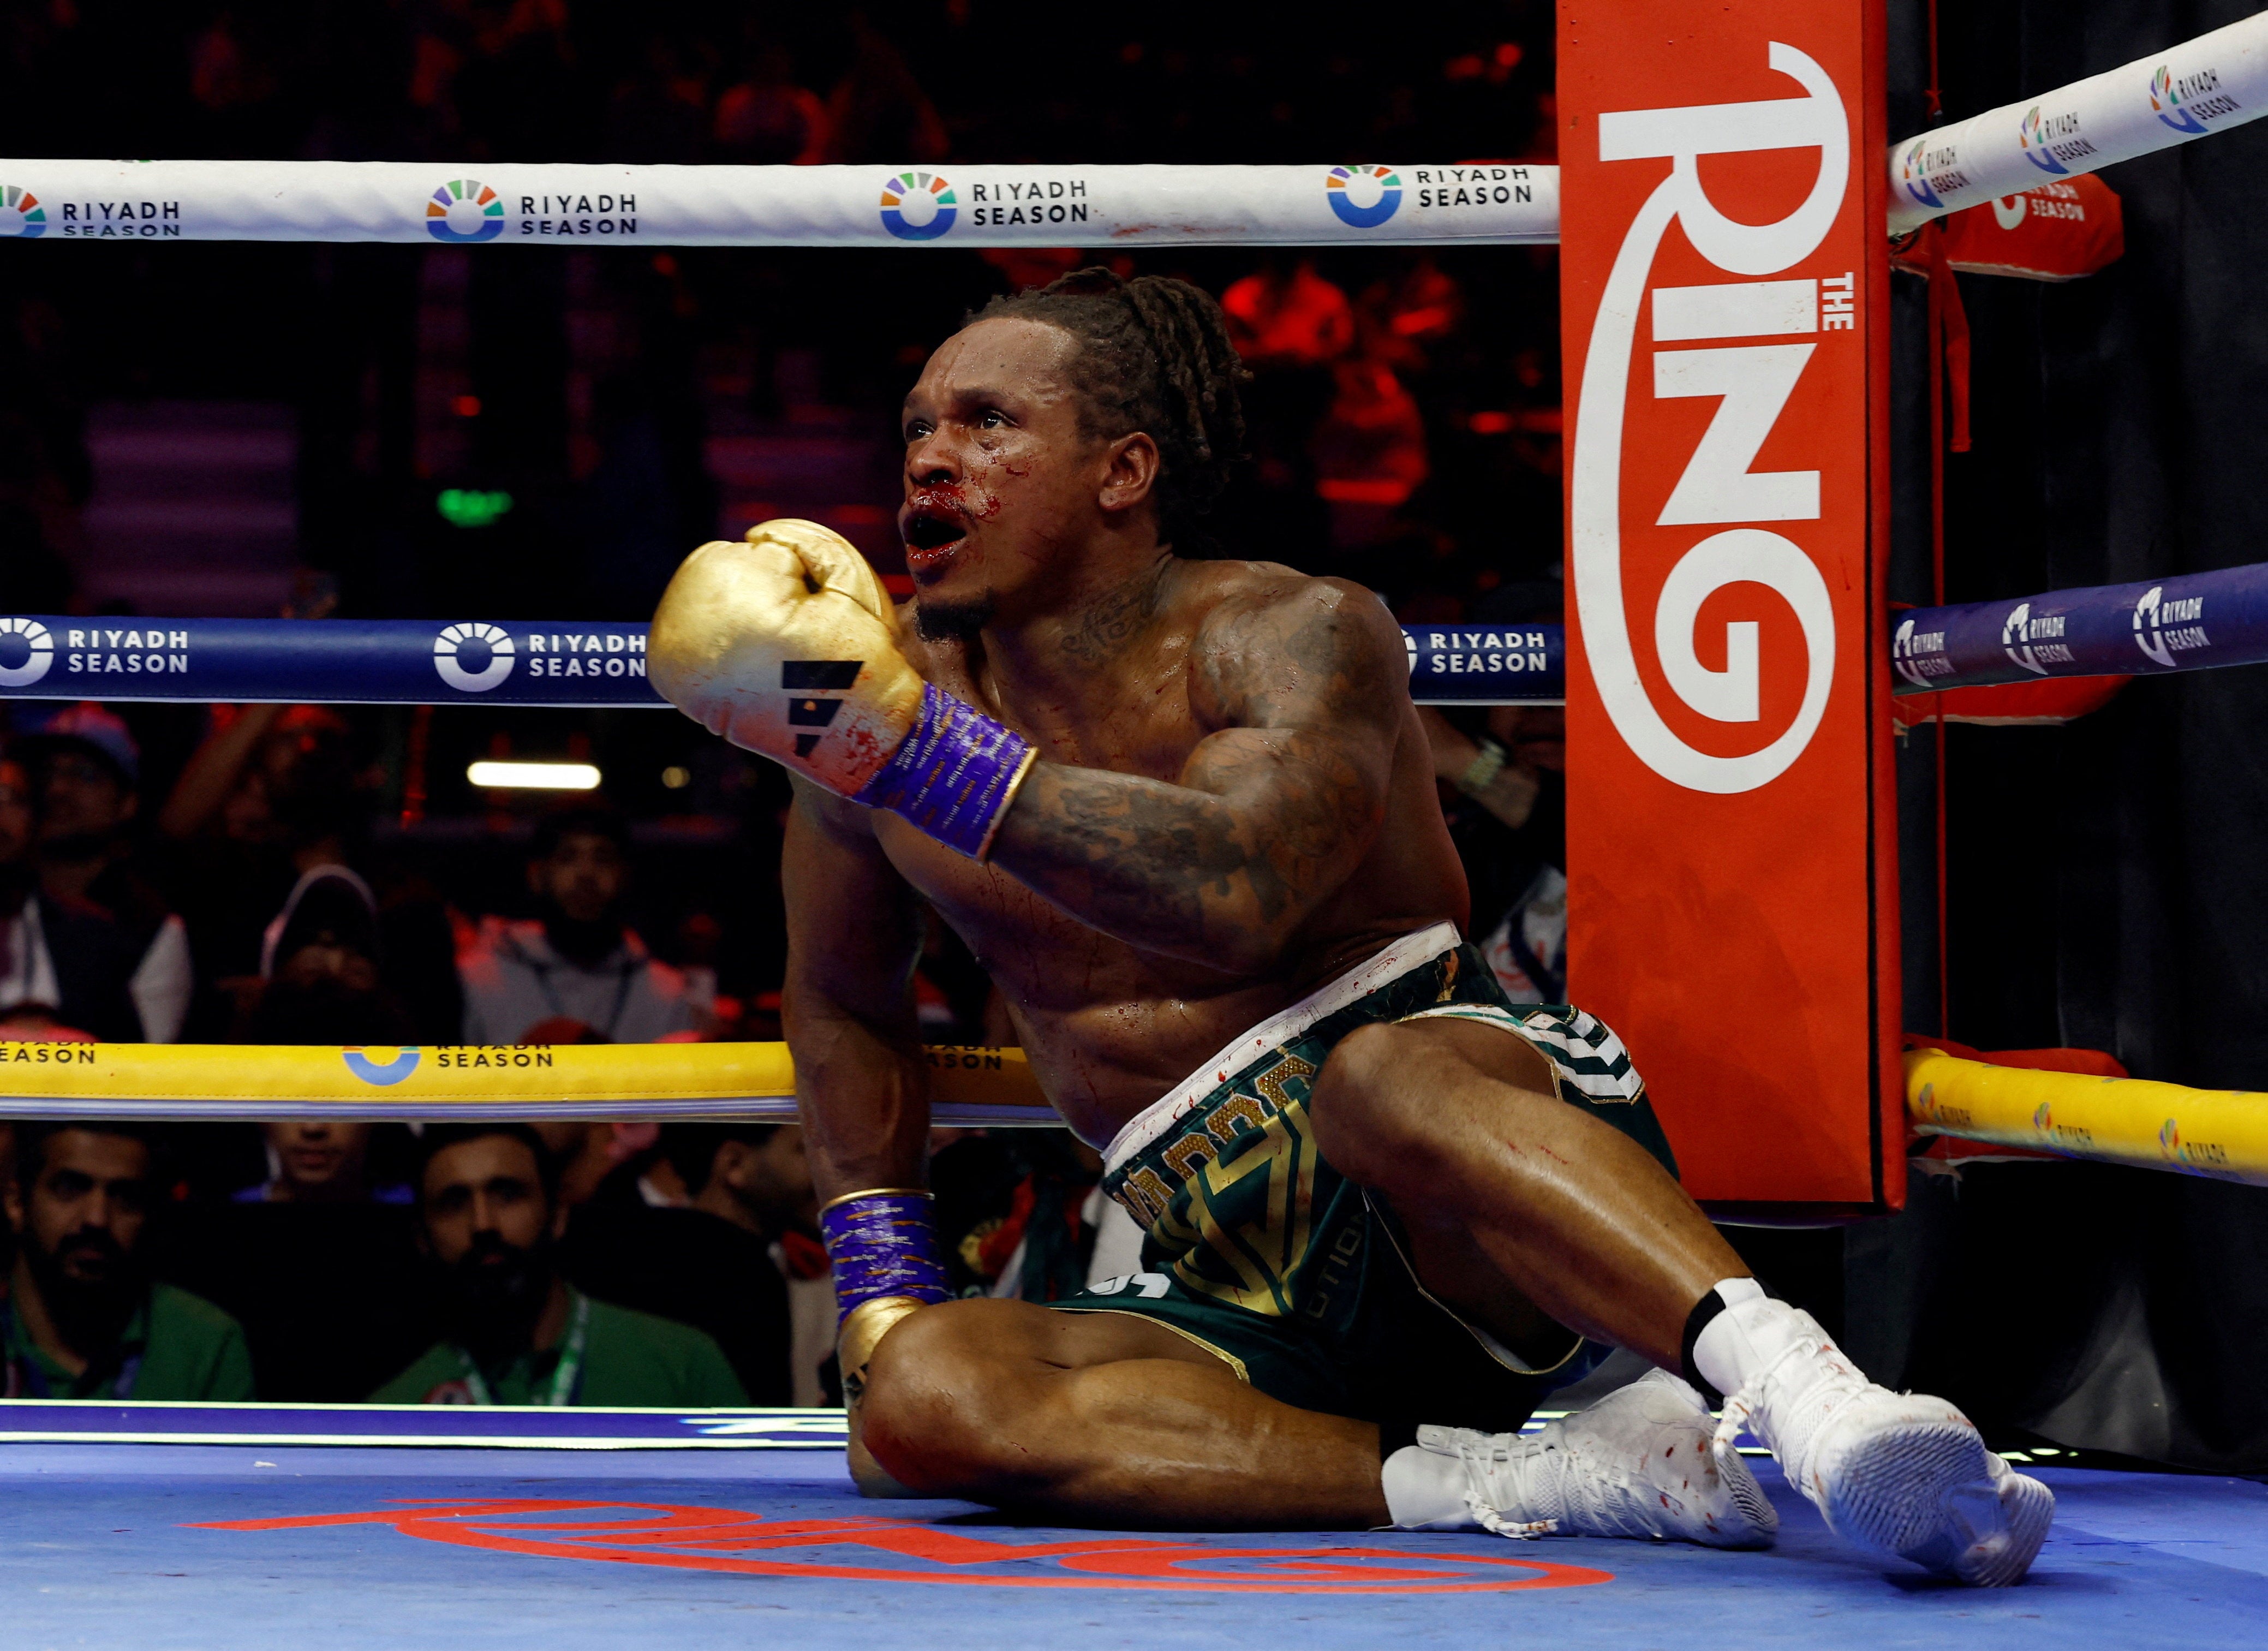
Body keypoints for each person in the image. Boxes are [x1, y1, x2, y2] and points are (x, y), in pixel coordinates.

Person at [645, 268, 2052, 1586]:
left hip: (1466, 1184)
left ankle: (1810, 1400)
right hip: (1234, 1276)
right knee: (924, 1398)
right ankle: (1535, 1478)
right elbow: (841, 1002)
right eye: (916, 428)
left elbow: (1232, 884)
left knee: (1377, 1083)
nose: (929, 458)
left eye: (988, 423)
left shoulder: (1291, 632)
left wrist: (910, 752)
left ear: (1123, 471)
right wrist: (886, 1286)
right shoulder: (865, 730)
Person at [370, 1123, 748, 1407]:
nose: (483, 1223)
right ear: (422, 1238)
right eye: (454, 1202)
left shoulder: (683, 1364)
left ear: (558, 1214)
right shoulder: (395, 1407)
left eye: (507, 1194)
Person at [3, 1122, 254, 1399]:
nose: (97, 1219)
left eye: (126, 1197)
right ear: (16, 1203)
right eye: (70, 1188)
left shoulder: (204, 1341)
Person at [562, 1123, 807, 1405]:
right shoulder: (739, 1275)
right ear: (734, 1163)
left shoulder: (633, 1252)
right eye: (801, 1149)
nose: (819, 1167)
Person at [8, 705, 191, 1042]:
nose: (58, 790)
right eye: (46, 774)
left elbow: (144, 1073)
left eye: (85, 775)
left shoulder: (148, 929)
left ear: (127, 803)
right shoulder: (13, 904)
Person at [457, 809, 701, 1046]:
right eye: (567, 858)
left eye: (603, 859)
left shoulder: (669, 993)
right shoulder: (478, 979)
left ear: (625, 876)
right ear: (537, 875)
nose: (586, 874)